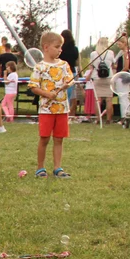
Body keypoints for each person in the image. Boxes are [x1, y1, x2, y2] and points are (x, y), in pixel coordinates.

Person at [29, 31, 75, 178]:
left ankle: (57, 168)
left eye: (61, 47)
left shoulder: (64, 65)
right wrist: (47, 94)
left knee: (59, 139)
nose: (60, 50)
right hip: (46, 110)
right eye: (57, 47)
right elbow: (33, 86)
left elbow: (70, 79)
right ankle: (40, 168)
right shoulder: (39, 67)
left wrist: (68, 84)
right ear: (46, 47)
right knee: (44, 138)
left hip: (62, 109)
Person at [89, 37, 116, 124]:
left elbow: (91, 66)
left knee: (98, 100)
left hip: (97, 77)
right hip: (109, 77)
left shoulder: (93, 54)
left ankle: (98, 119)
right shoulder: (110, 53)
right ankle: (108, 119)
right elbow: (114, 65)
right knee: (109, 100)